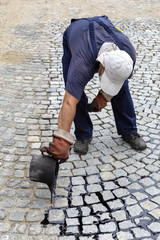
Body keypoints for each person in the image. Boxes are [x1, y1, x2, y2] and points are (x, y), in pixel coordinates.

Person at [41, 15, 147, 163]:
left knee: (122, 88)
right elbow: (69, 102)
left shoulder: (127, 55)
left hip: (101, 27)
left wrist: (103, 97)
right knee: (74, 90)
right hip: (77, 35)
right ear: (101, 65)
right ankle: (83, 134)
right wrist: (61, 139)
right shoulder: (82, 64)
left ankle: (129, 130)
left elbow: (118, 78)